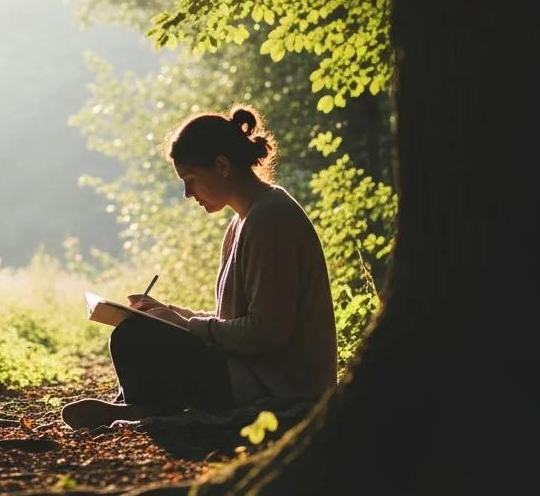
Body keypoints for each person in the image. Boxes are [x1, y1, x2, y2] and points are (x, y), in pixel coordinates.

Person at [61, 106, 338, 430]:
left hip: (278, 385)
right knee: (136, 331)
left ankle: (144, 408)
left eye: (191, 180)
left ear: (222, 166)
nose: (187, 193)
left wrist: (185, 325)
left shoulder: (271, 220)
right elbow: (232, 324)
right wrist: (169, 314)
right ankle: (144, 407)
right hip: (248, 370)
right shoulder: (241, 223)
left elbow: (267, 333)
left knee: (134, 338)